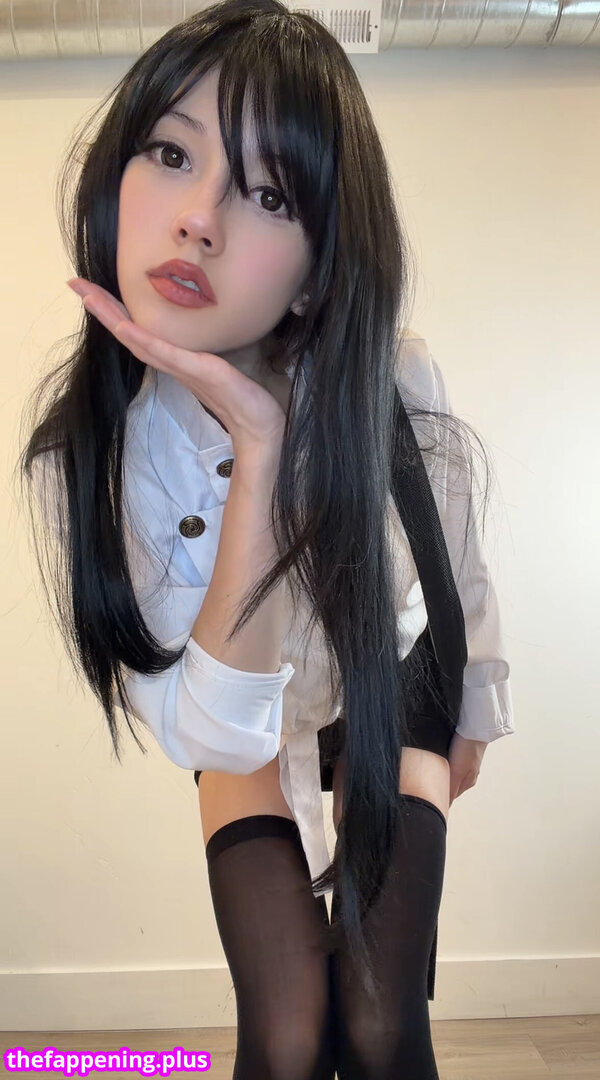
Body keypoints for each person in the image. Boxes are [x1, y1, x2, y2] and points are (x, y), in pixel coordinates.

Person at [18, 1, 515, 1076]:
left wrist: (478, 706)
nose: (198, 219)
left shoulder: (392, 373)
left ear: (319, 269)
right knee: (288, 1033)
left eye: (270, 194)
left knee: (379, 1021)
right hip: (246, 715)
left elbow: (454, 559)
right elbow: (216, 732)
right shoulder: (89, 460)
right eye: (170, 153)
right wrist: (257, 442)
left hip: (393, 672)